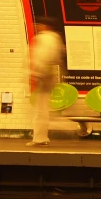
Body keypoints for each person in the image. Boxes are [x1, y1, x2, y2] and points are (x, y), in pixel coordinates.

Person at [27, 16, 64, 147]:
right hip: (49, 76)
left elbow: (42, 57)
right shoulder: (55, 38)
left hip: (43, 76)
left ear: (45, 25)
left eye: (39, 24)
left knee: (40, 109)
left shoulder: (44, 38)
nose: (37, 26)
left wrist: (36, 74)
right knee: (42, 108)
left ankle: (40, 138)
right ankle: (41, 137)